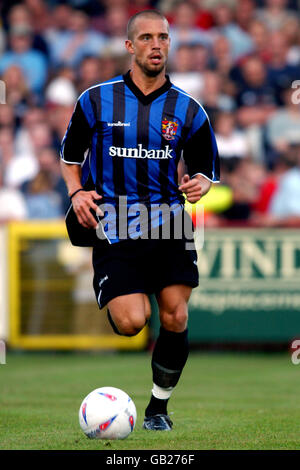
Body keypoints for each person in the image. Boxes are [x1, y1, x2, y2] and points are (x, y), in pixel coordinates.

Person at [60, 9, 219, 431]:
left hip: (169, 223)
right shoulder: (94, 100)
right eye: (146, 38)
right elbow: (69, 159)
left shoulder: (188, 109)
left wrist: (202, 184)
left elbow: (205, 170)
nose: (156, 45)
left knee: (176, 316)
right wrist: (77, 193)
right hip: (115, 223)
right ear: (130, 46)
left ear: (170, 43)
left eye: (163, 37)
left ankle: (157, 409)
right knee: (131, 323)